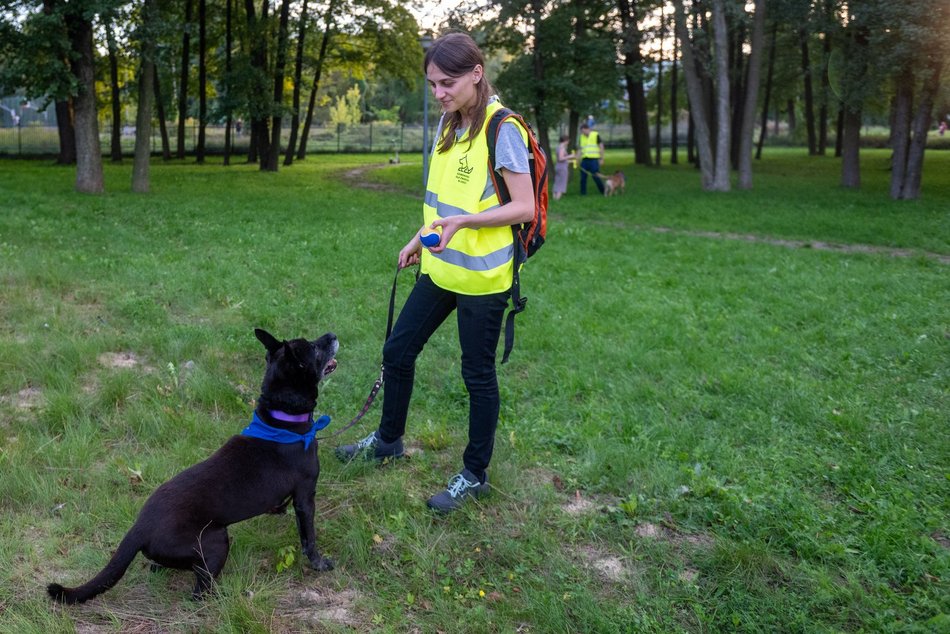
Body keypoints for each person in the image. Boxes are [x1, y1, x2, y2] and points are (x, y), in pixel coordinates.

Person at [336, 32, 535, 514]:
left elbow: (524, 206)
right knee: (398, 350)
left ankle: (474, 474)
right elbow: (444, 202)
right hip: (440, 267)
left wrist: (464, 223)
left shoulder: (501, 128)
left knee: (477, 375)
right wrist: (417, 238)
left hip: (484, 281)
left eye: (448, 83)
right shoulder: (449, 123)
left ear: (476, 74)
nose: (440, 93)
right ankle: (387, 442)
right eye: (432, 84)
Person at [578, 122, 605, 195]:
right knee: (583, 178)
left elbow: (601, 147)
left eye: (584, 131)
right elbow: (580, 149)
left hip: (594, 160)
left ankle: (603, 190)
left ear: (588, 129)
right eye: (582, 132)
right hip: (584, 160)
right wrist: (578, 158)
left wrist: (602, 158)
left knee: (596, 176)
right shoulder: (581, 137)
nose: (583, 133)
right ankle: (583, 193)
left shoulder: (595, 135)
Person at [553, 134, 576, 200]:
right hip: (562, 168)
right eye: (568, 141)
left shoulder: (558, 147)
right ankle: (557, 198)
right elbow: (561, 158)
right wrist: (571, 156)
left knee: (557, 182)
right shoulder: (562, 148)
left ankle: (555, 198)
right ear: (565, 140)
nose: (568, 142)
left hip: (559, 166)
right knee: (561, 183)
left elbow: (562, 160)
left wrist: (570, 161)